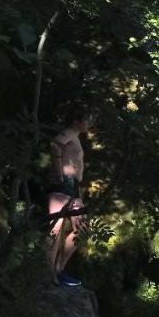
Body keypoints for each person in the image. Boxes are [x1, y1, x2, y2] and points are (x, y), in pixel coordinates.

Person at [48, 108, 92, 286]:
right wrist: (59, 174)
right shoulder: (68, 132)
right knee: (55, 229)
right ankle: (47, 274)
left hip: (72, 186)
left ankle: (58, 270)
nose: (89, 123)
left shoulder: (75, 136)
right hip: (63, 183)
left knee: (82, 228)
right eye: (87, 119)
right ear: (76, 120)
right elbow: (54, 144)